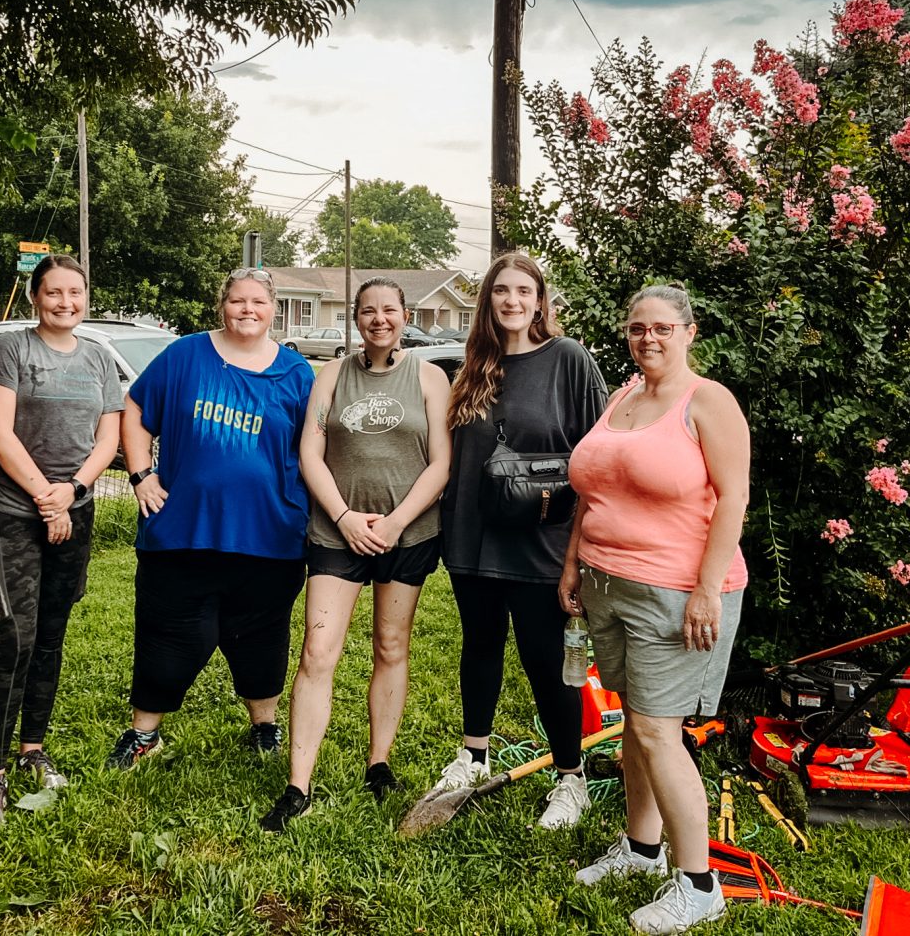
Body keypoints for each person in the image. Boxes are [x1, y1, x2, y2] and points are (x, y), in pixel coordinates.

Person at [562, 283, 748, 934]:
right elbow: (593, 487)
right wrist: (573, 563)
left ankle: (699, 885)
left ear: (690, 332)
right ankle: (641, 851)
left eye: (663, 328)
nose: (649, 338)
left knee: (655, 734)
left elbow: (733, 499)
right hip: (608, 584)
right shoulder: (624, 397)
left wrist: (705, 588)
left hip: (676, 593)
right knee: (635, 726)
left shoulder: (709, 403)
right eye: (639, 327)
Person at [259, 277, 452, 832]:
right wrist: (344, 517)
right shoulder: (332, 376)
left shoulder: (430, 379)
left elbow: (441, 462)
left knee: (391, 646)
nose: (378, 320)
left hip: (406, 534)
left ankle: (378, 764)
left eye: (388, 310)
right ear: (356, 318)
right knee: (318, 653)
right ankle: (298, 785)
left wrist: (394, 523)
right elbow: (309, 452)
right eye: (367, 311)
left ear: (404, 315)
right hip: (335, 533)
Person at [110, 267, 314, 770]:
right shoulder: (186, 355)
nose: (248, 310)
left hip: (270, 534)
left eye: (258, 303)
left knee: (262, 637)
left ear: (274, 310)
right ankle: (143, 735)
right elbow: (133, 406)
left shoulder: (297, 373)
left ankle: (265, 726)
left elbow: (317, 447)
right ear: (223, 305)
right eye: (238, 301)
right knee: (169, 632)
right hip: (183, 529)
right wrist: (141, 474)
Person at [432, 252, 607, 829]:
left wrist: (578, 553)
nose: (511, 301)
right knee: (479, 646)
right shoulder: (474, 363)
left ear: (540, 301)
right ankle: (473, 756)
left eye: (522, 291)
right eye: (500, 291)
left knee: (545, 659)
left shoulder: (568, 360)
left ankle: (570, 777)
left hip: (542, 538)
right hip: (471, 536)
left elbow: (597, 458)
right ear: (488, 301)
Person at [0, 255, 124, 829]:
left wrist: (73, 491)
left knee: (51, 635)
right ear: (35, 297)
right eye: (54, 292)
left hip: (74, 508)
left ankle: (33, 748)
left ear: (86, 297)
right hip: (12, 511)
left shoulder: (98, 357)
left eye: (75, 292)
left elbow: (109, 438)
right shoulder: (11, 350)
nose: (65, 302)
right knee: (16, 637)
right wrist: (45, 496)